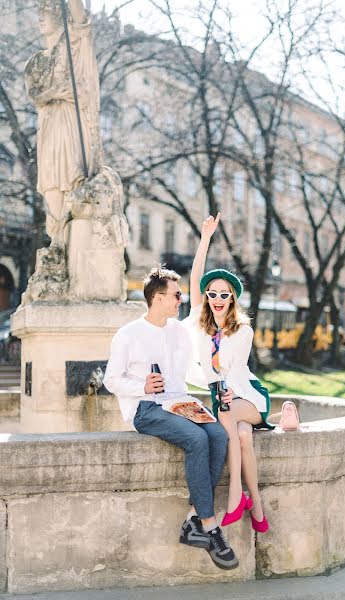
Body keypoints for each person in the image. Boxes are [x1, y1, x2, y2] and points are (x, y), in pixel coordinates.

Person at [103, 266, 239, 570]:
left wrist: (218, 388)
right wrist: (141, 386)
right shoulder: (128, 335)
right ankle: (210, 527)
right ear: (158, 298)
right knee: (195, 439)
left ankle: (192, 519)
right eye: (177, 295)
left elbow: (190, 372)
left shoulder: (178, 331)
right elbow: (111, 380)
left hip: (179, 402)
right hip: (146, 408)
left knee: (218, 435)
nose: (181, 300)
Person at [185, 213, 272, 533]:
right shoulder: (199, 320)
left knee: (224, 410)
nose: (217, 299)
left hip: (247, 395)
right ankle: (257, 505)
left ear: (232, 298)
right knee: (243, 435)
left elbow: (235, 374)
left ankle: (236, 495)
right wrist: (205, 237)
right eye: (212, 293)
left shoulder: (243, 329)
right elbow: (194, 278)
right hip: (223, 398)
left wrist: (228, 394)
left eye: (224, 294)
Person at [25, 0, 103, 247]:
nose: (40, 18)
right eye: (39, 13)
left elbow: (81, 20)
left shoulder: (73, 45)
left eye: (46, 13)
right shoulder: (37, 61)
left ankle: (70, 244)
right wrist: (57, 91)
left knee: (71, 178)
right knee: (50, 184)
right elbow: (35, 94)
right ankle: (58, 243)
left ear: (60, 15)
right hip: (49, 124)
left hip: (70, 121)